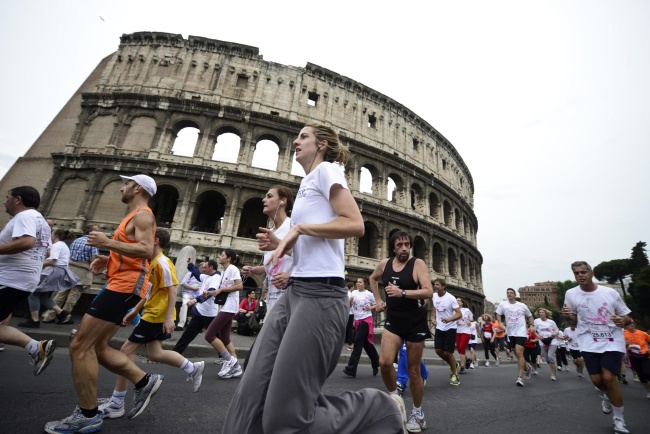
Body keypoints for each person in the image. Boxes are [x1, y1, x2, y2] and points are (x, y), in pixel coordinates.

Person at [223, 124, 408, 433]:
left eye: (304, 136)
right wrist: (282, 242)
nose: (296, 141)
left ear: (321, 145)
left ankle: (382, 408)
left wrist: (299, 229)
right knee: (250, 396)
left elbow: (355, 224)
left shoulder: (326, 171)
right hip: (294, 292)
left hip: (321, 295)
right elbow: (311, 246)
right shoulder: (306, 183)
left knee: (284, 419)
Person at [44, 174, 163, 434]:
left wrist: (107, 243)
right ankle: (144, 381)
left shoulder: (143, 215)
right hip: (122, 284)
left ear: (137, 188)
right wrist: (109, 258)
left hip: (124, 287)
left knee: (79, 346)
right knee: (97, 347)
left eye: (126, 184)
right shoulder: (134, 216)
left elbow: (146, 250)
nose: (121, 187)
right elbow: (133, 252)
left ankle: (87, 415)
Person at [98, 228, 205, 419]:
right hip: (153, 313)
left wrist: (168, 318)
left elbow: (172, 290)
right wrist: (135, 311)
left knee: (125, 351)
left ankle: (117, 402)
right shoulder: (153, 262)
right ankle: (192, 368)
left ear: (155, 240)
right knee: (155, 353)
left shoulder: (162, 262)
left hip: (156, 315)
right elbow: (148, 291)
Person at [371, 231, 434, 433]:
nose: (404, 248)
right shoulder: (384, 264)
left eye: (407, 244)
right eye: (400, 245)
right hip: (395, 321)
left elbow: (428, 291)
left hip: (415, 322)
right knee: (384, 363)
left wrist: (402, 293)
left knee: (414, 371)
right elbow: (373, 278)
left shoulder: (417, 264)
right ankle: (395, 400)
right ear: (393, 248)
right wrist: (378, 300)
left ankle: (418, 414)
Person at [562, 261, 632, 434]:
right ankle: (608, 395)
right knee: (597, 381)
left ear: (591, 274)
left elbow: (627, 317)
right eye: (576, 273)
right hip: (588, 340)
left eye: (583, 272)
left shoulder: (609, 293)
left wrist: (623, 321)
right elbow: (573, 319)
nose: (580, 275)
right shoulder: (571, 294)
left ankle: (619, 420)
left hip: (612, 339)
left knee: (609, 378)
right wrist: (568, 316)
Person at [0, 186, 55, 375]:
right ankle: (36, 348)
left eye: (7, 197)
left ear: (18, 199)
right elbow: (45, 251)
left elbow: (27, 242)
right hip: (23, 280)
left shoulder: (24, 216)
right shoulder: (40, 221)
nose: (4, 201)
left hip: (9, 279)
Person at [241, 185, 294, 314]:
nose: (263, 200)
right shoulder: (270, 232)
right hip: (272, 300)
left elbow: (307, 256)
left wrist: (291, 276)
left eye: (269, 196)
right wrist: (253, 270)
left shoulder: (293, 226)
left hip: (291, 298)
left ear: (283, 201)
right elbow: (271, 267)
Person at [19, 228, 80, 328]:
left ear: (55, 235)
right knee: (42, 296)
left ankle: (34, 321)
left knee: (33, 294)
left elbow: (52, 260)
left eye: (52, 234)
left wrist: (37, 265)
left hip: (53, 271)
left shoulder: (57, 245)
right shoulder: (63, 245)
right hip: (59, 271)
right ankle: (62, 314)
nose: (51, 236)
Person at [42, 224, 99, 324]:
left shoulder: (76, 240)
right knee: (73, 295)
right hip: (82, 270)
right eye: (96, 230)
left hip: (70, 268)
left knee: (61, 293)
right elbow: (93, 261)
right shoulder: (92, 243)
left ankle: (49, 316)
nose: (98, 233)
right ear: (91, 232)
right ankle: (64, 317)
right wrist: (94, 273)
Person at [207, 249, 244, 379]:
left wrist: (221, 289)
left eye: (222, 255)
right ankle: (236, 367)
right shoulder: (223, 272)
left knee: (209, 335)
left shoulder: (233, 269)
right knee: (225, 338)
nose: (219, 256)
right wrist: (211, 293)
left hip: (230, 306)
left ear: (229, 258)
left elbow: (239, 286)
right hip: (225, 306)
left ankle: (229, 361)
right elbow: (223, 290)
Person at [172, 259, 221, 355]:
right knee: (188, 334)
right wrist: (190, 264)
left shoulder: (216, 277)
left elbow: (210, 293)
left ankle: (225, 356)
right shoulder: (206, 276)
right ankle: (175, 353)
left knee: (216, 337)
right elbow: (196, 273)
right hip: (200, 312)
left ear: (211, 267)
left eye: (205, 267)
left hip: (210, 314)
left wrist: (195, 300)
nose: (203, 269)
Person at [495, 288, 533, 386]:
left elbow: (530, 316)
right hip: (510, 332)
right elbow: (498, 313)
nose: (509, 294)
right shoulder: (503, 304)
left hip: (521, 332)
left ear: (515, 295)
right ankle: (527, 367)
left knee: (519, 352)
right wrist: (500, 323)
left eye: (511, 293)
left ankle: (520, 378)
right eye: (508, 293)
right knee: (516, 353)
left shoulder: (522, 305)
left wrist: (532, 325)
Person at [343, 277, 379, 378]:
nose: (358, 283)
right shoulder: (354, 293)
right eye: (357, 282)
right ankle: (376, 362)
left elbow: (376, 304)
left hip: (366, 320)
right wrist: (350, 302)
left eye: (360, 282)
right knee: (366, 344)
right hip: (357, 321)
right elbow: (349, 306)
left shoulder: (369, 294)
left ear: (364, 284)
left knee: (357, 341)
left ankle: (351, 368)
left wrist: (370, 307)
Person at [431, 278, 462, 387]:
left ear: (443, 286)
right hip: (440, 327)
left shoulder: (450, 298)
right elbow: (434, 309)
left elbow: (459, 314)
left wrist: (449, 319)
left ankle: (454, 375)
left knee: (448, 352)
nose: (435, 286)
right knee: (438, 350)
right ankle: (454, 364)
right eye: (434, 284)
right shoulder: (434, 296)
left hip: (450, 327)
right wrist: (433, 318)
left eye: (437, 284)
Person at [623, 320, 650, 398]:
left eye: (632, 324)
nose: (631, 326)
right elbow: (620, 346)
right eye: (628, 325)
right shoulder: (623, 334)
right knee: (641, 375)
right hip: (633, 357)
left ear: (634, 324)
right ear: (625, 327)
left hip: (645, 356)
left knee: (647, 373)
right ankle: (649, 391)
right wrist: (626, 344)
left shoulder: (642, 333)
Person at [175, 261, 205, 331]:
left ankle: (196, 326)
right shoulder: (190, 274)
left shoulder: (204, 277)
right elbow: (183, 283)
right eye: (203, 267)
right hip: (188, 294)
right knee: (185, 304)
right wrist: (192, 288)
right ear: (199, 267)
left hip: (197, 296)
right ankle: (180, 325)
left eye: (205, 268)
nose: (204, 269)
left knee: (199, 307)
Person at [534, 307, 560, 381]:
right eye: (540, 312)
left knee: (550, 357)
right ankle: (553, 365)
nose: (541, 314)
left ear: (546, 313)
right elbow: (534, 331)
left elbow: (557, 330)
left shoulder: (551, 322)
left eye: (542, 312)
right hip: (542, 340)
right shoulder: (536, 321)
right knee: (547, 359)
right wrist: (538, 336)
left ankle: (553, 374)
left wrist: (555, 333)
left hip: (552, 339)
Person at [455, 297, 474, 375]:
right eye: (456, 301)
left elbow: (472, 318)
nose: (457, 302)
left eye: (459, 301)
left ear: (462, 303)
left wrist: (469, 321)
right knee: (459, 349)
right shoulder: (454, 311)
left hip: (466, 331)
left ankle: (462, 367)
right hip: (457, 331)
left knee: (462, 347)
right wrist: (455, 321)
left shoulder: (466, 310)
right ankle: (467, 360)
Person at [345, 281, 355, 351]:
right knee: (350, 328)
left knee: (345, 327)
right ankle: (350, 342)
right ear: (351, 287)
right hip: (350, 313)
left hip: (345, 313)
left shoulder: (345, 293)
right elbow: (351, 304)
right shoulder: (351, 294)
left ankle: (345, 339)